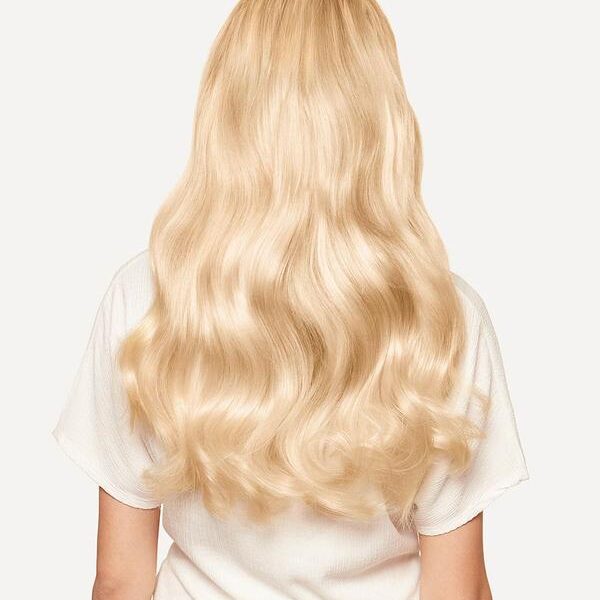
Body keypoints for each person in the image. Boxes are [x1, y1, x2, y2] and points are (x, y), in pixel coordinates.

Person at [51, 1, 529, 599]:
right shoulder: (444, 319)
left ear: (227, 108)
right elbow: (456, 591)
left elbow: (120, 581)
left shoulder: (146, 300)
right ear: (382, 121)